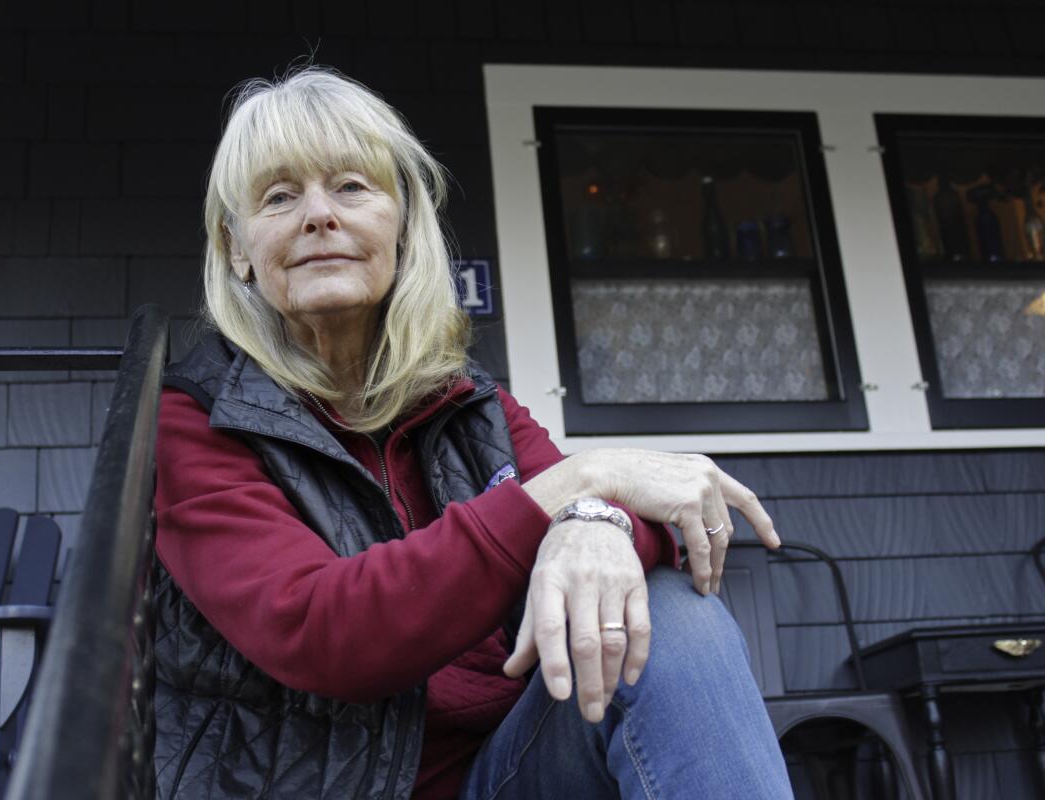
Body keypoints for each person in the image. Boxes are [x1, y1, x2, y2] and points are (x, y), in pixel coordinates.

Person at [153, 65, 794, 800]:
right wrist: (580, 486)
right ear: (237, 248)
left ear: (401, 224)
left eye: (353, 187)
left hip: (509, 773)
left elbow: (631, 523)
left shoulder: (468, 405)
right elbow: (320, 629)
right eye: (279, 196)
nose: (319, 215)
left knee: (674, 619)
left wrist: (596, 519)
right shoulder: (199, 420)